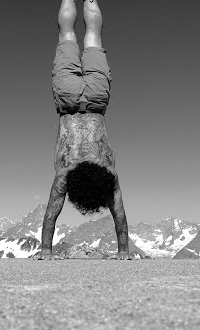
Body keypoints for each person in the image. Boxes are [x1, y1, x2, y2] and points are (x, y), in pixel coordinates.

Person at [38, 0, 132, 260]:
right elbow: (51, 215)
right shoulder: (65, 173)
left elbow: (120, 216)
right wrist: (45, 250)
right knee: (67, 34)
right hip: (67, 102)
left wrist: (125, 249)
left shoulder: (107, 171)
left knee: (93, 36)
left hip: (97, 101)